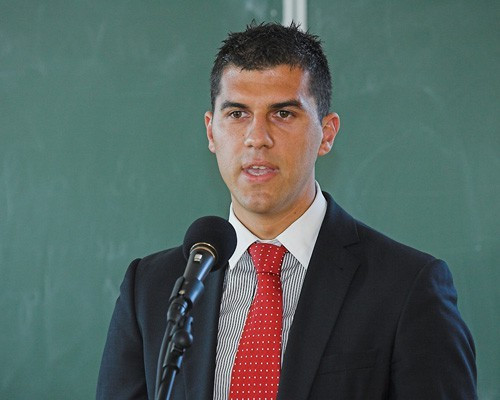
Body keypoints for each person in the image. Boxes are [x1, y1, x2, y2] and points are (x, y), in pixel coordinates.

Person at [96, 22, 477, 399]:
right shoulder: (151, 289)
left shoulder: (407, 287)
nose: (257, 138)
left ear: (327, 134)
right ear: (211, 132)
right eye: (237, 114)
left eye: (283, 114)